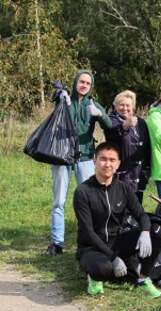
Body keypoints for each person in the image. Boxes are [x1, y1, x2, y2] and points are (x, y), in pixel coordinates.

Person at [73, 142, 161, 299]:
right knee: (104, 269)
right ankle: (94, 278)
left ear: (118, 164)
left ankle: (142, 278)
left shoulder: (124, 188)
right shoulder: (83, 192)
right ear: (94, 161)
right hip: (91, 247)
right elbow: (88, 232)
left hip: (117, 241)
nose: (107, 164)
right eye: (103, 159)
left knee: (158, 232)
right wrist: (113, 258)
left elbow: (141, 214)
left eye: (112, 160)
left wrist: (145, 231)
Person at [47, 70, 112, 255]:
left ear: (91, 87)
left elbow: (110, 125)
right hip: (62, 157)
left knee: (89, 201)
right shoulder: (65, 100)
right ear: (76, 82)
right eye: (81, 82)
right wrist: (60, 94)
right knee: (59, 201)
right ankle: (57, 243)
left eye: (88, 83)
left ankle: (89, 241)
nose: (84, 85)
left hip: (84, 158)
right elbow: (56, 97)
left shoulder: (92, 104)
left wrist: (99, 114)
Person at [104, 90, 151, 203]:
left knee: (136, 207)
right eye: (121, 105)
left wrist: (146, 169)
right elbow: (112, 132)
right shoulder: (111, 120)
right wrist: (125, 125)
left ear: (133, 107)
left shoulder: (141, 122)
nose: (125, 108)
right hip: (121, 173)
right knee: (119, 206)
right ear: (115, 106)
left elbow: (147, 147)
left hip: (138, 173)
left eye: (128, 105)